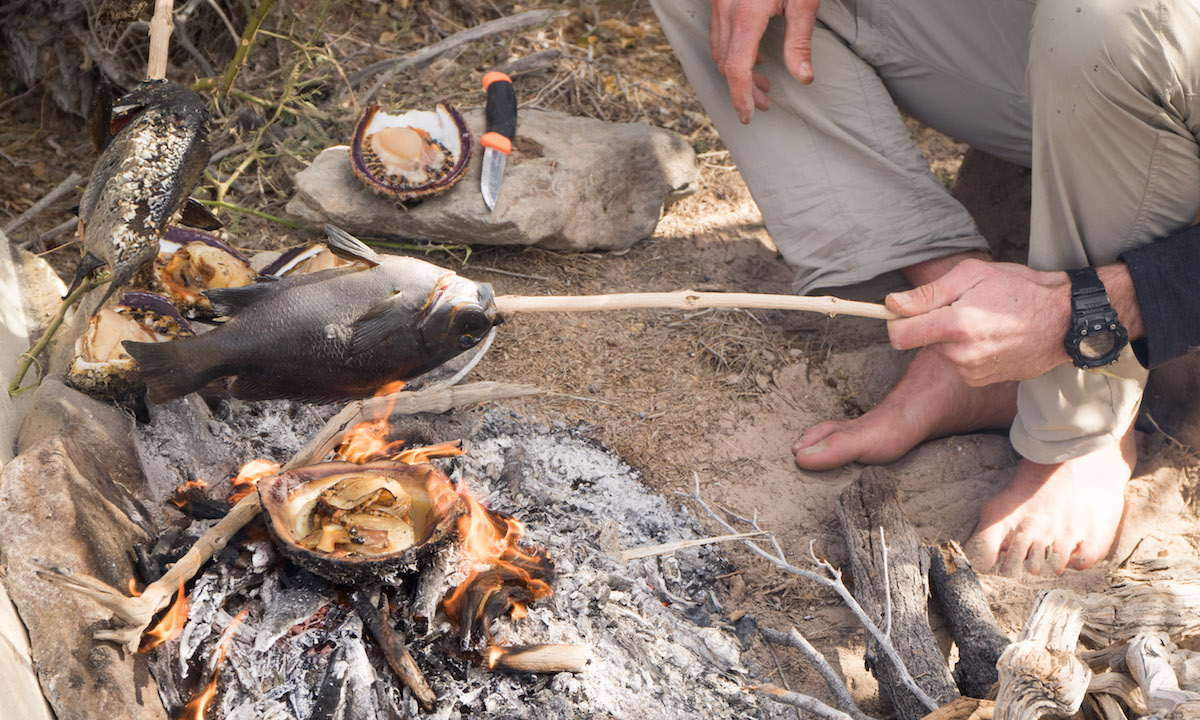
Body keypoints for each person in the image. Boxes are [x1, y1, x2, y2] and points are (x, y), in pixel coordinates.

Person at [650, 0, 1200, 576]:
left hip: (1123, 47)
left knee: (1109, 24)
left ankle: (1078, 418)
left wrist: (1081, 311)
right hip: (1083, 64)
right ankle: (963, 327)